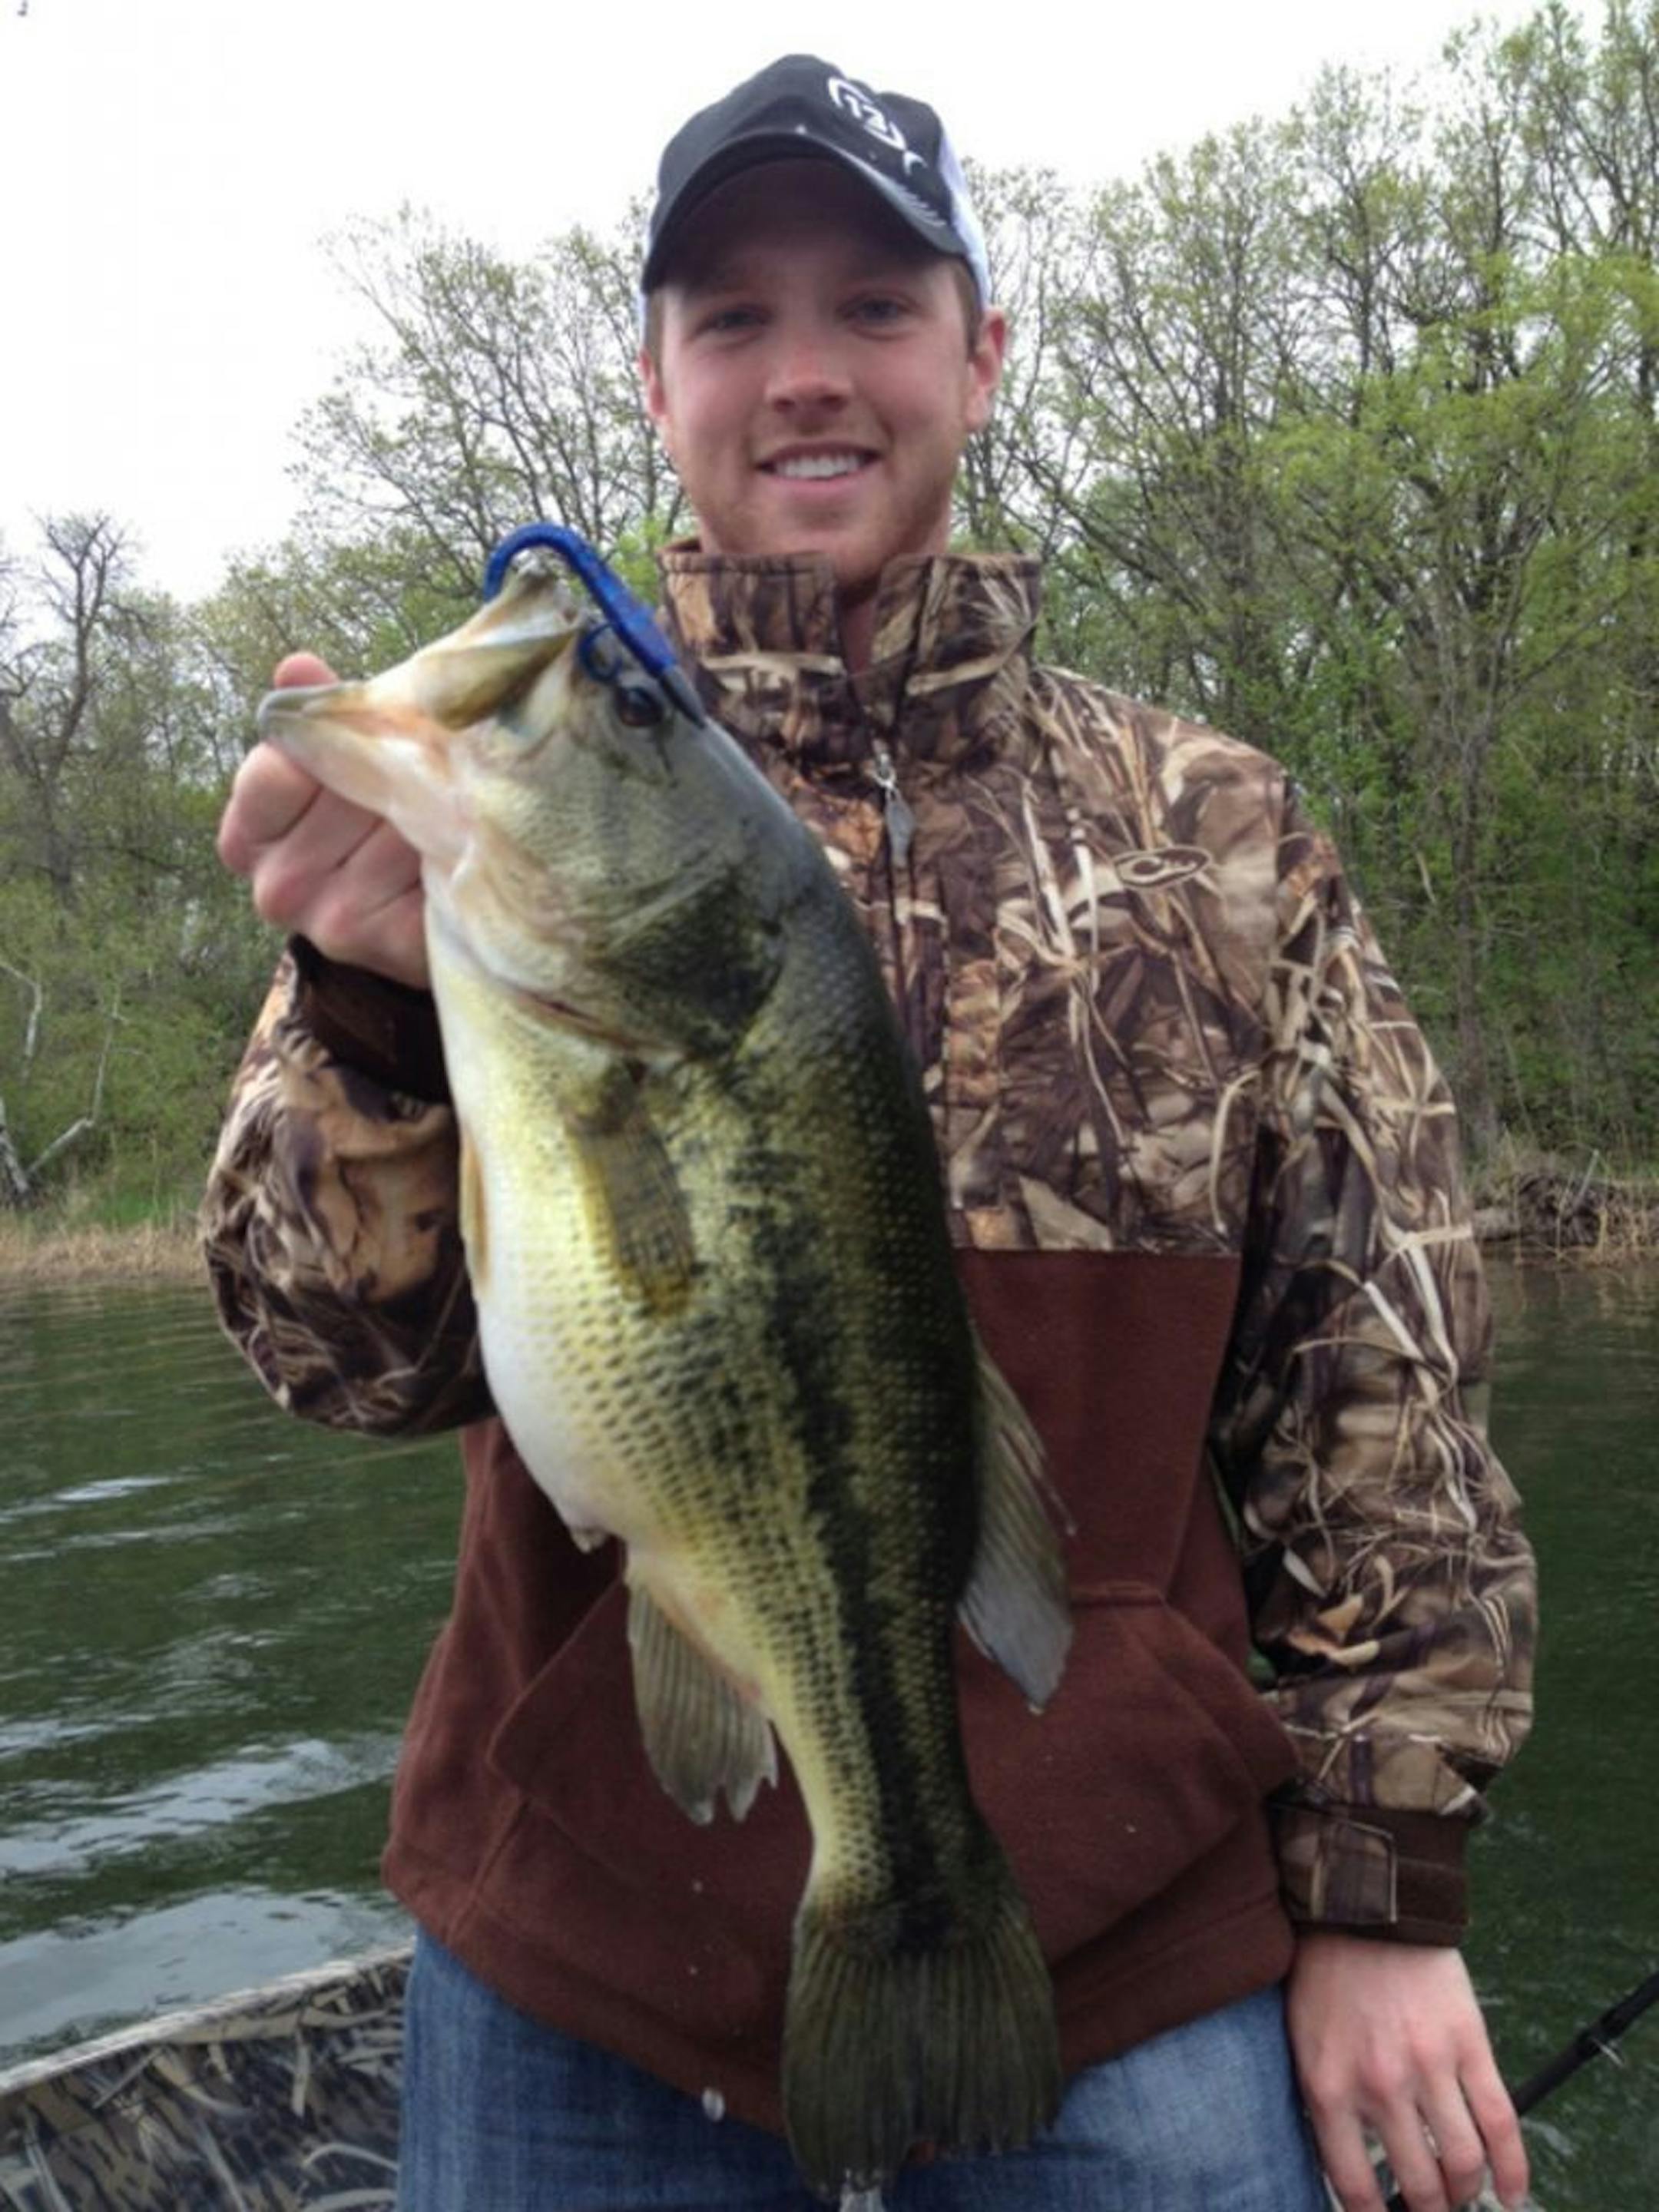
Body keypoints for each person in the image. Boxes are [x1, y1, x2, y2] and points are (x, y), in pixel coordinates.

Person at [205, 55, 1537, 2212]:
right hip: (580, 1969)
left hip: (1126, 1947)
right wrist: (366, 1007)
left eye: (877, 308)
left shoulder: (1216, 833)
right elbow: (338, 1362)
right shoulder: (502, 846)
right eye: (731, 318)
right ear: (652, 378)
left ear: (985, 352)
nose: (805, 374)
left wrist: (1387, 1884)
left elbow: (1377, 1381)